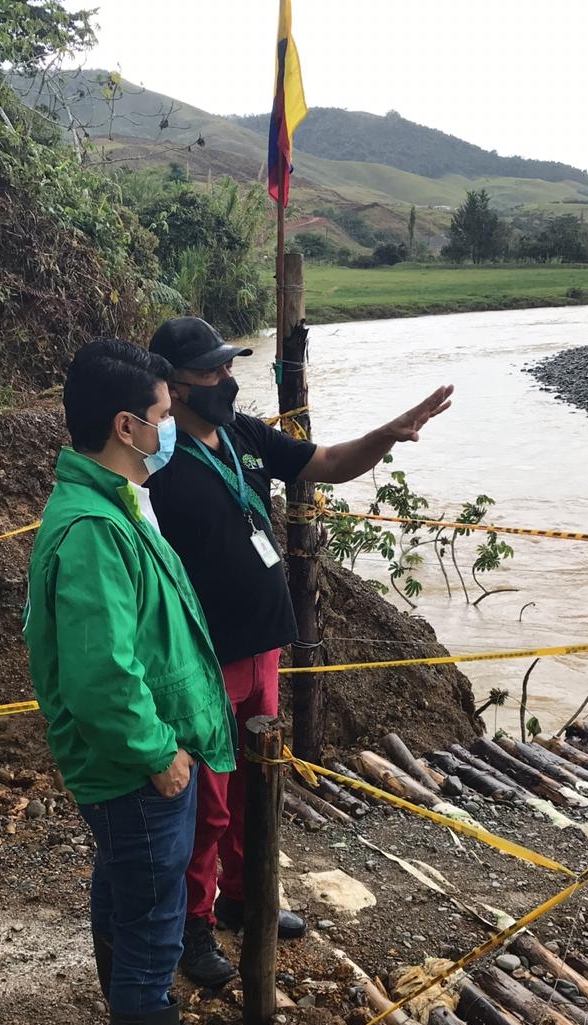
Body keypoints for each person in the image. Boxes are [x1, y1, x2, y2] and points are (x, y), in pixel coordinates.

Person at [148, 316, 453, 988]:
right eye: (211, 371)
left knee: (257, 783)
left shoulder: (247, 435)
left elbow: (330, 463)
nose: (226, 378)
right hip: (201, 656)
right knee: (209, 798)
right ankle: (192, 927)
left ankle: (243, 898)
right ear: (173, 382)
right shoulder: (155, 460)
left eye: (229, 366)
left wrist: (387, 433)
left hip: (264, 648)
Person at [22, 339, 239, 1025]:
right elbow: (101, 676)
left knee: (124, 892)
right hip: (134, 768)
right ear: (125, 426)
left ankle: (141, 1023)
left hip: (137, 762)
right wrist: (161, 757)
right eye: (159, 416)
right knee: (151, 929)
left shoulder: (114, 501)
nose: (168, 429)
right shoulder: (91, 531)